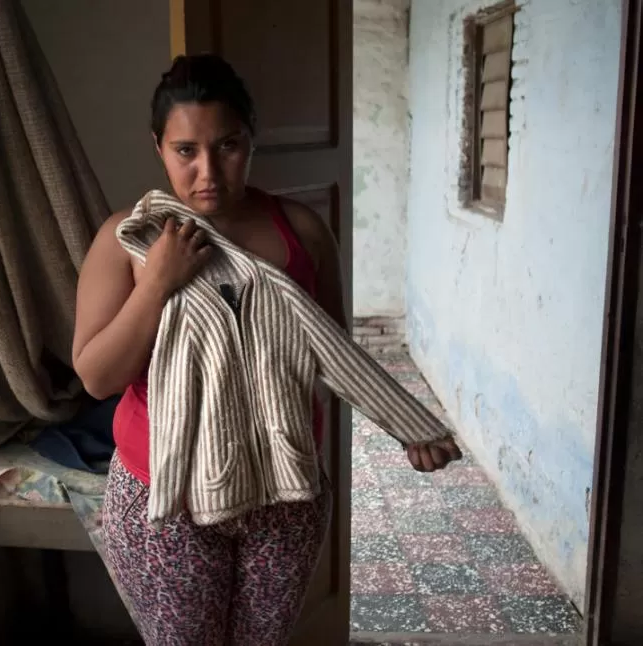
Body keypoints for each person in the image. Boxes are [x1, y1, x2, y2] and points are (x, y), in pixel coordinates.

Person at [72, 54, 462, 645]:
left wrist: (411, 427)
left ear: (251, 142)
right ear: (159, 148)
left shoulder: (301, 232)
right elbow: (98, 377)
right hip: (166, 496)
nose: (208, 171)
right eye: (186, 151)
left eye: (227, 145)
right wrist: (157, 282)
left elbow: (336, 358)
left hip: (284, 493)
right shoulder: (129, 238)